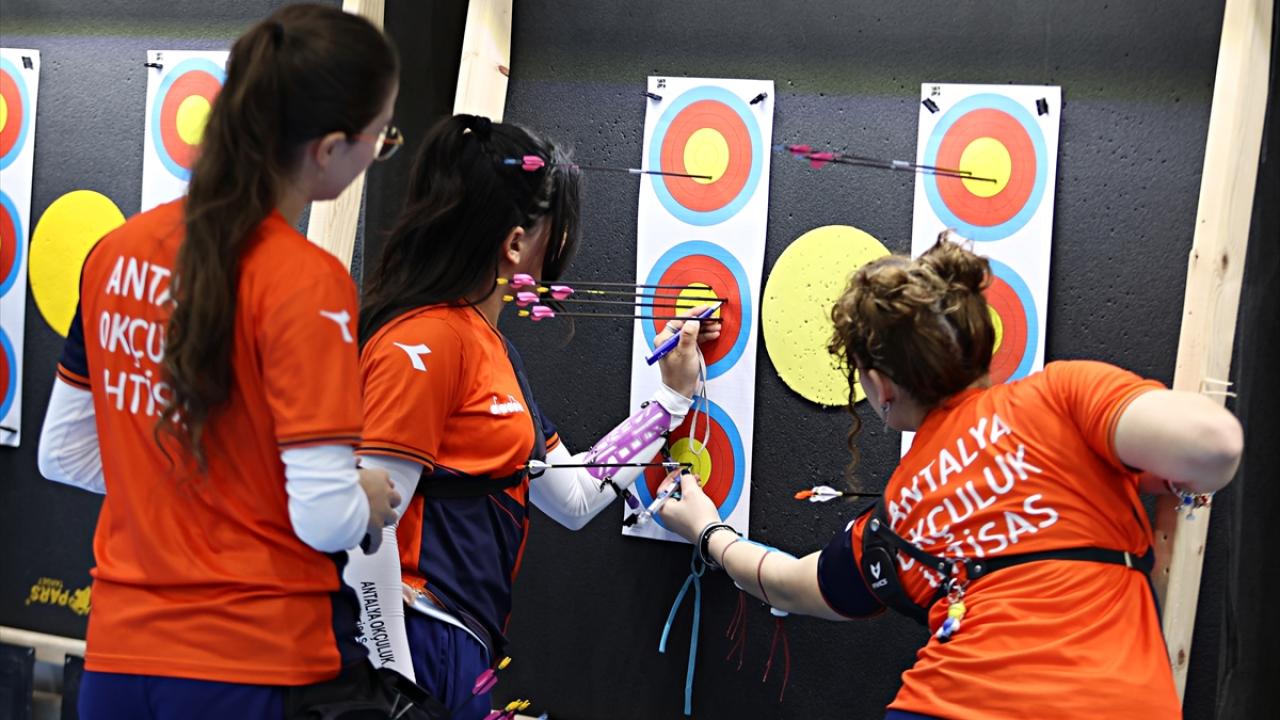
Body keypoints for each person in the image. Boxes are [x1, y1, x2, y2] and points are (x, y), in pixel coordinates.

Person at [657, 234, 1244, 719]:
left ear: (880, 385)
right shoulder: (1061, 398)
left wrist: (708, 532)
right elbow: (1214, 445)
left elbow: (788, 584)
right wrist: (1158, 470)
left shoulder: (895, 514)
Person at [37, 5, 409, 717]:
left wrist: (197, 490)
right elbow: (324, 519)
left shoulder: (113, 255)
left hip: (117, 662)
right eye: (382, 138)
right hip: (251, 664)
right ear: (330, 148)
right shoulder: (306, 282)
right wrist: (364, 496)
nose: (377, 154)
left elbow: (65, 456)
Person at [346, 113, 720, 718]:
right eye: (555, 229)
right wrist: (391, 687)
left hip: (459, 647)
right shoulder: (424, 340)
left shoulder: (494, 352)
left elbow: (572, 495)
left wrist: (669, 404)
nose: (561, 248)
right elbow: (366, 527)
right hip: (417, 638)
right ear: (516, 243)